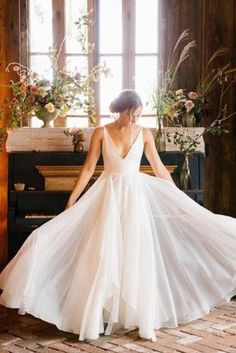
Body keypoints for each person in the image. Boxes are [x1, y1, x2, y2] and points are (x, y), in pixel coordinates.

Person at [0, 89, 236, 343]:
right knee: (104, 252)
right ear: (121, 111)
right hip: (108, 197)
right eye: (132, 115)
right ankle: (98, 314)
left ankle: (135, 315)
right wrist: (72, 199)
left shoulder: (145, 133)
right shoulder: (101, 132)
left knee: (135, 253)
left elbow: (159, 170)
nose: (136, 120)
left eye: (139, 116)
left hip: (135, 199)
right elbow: (89, 167)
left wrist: (178, 198)